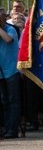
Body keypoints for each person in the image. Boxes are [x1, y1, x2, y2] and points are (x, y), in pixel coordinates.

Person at [1, 7, 22, 139]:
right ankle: (6, 127)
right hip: (1, 73)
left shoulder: (10, 29)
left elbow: (8, 40)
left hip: (11, 72)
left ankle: (12, 130)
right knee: (4, 102)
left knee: (13, 101)